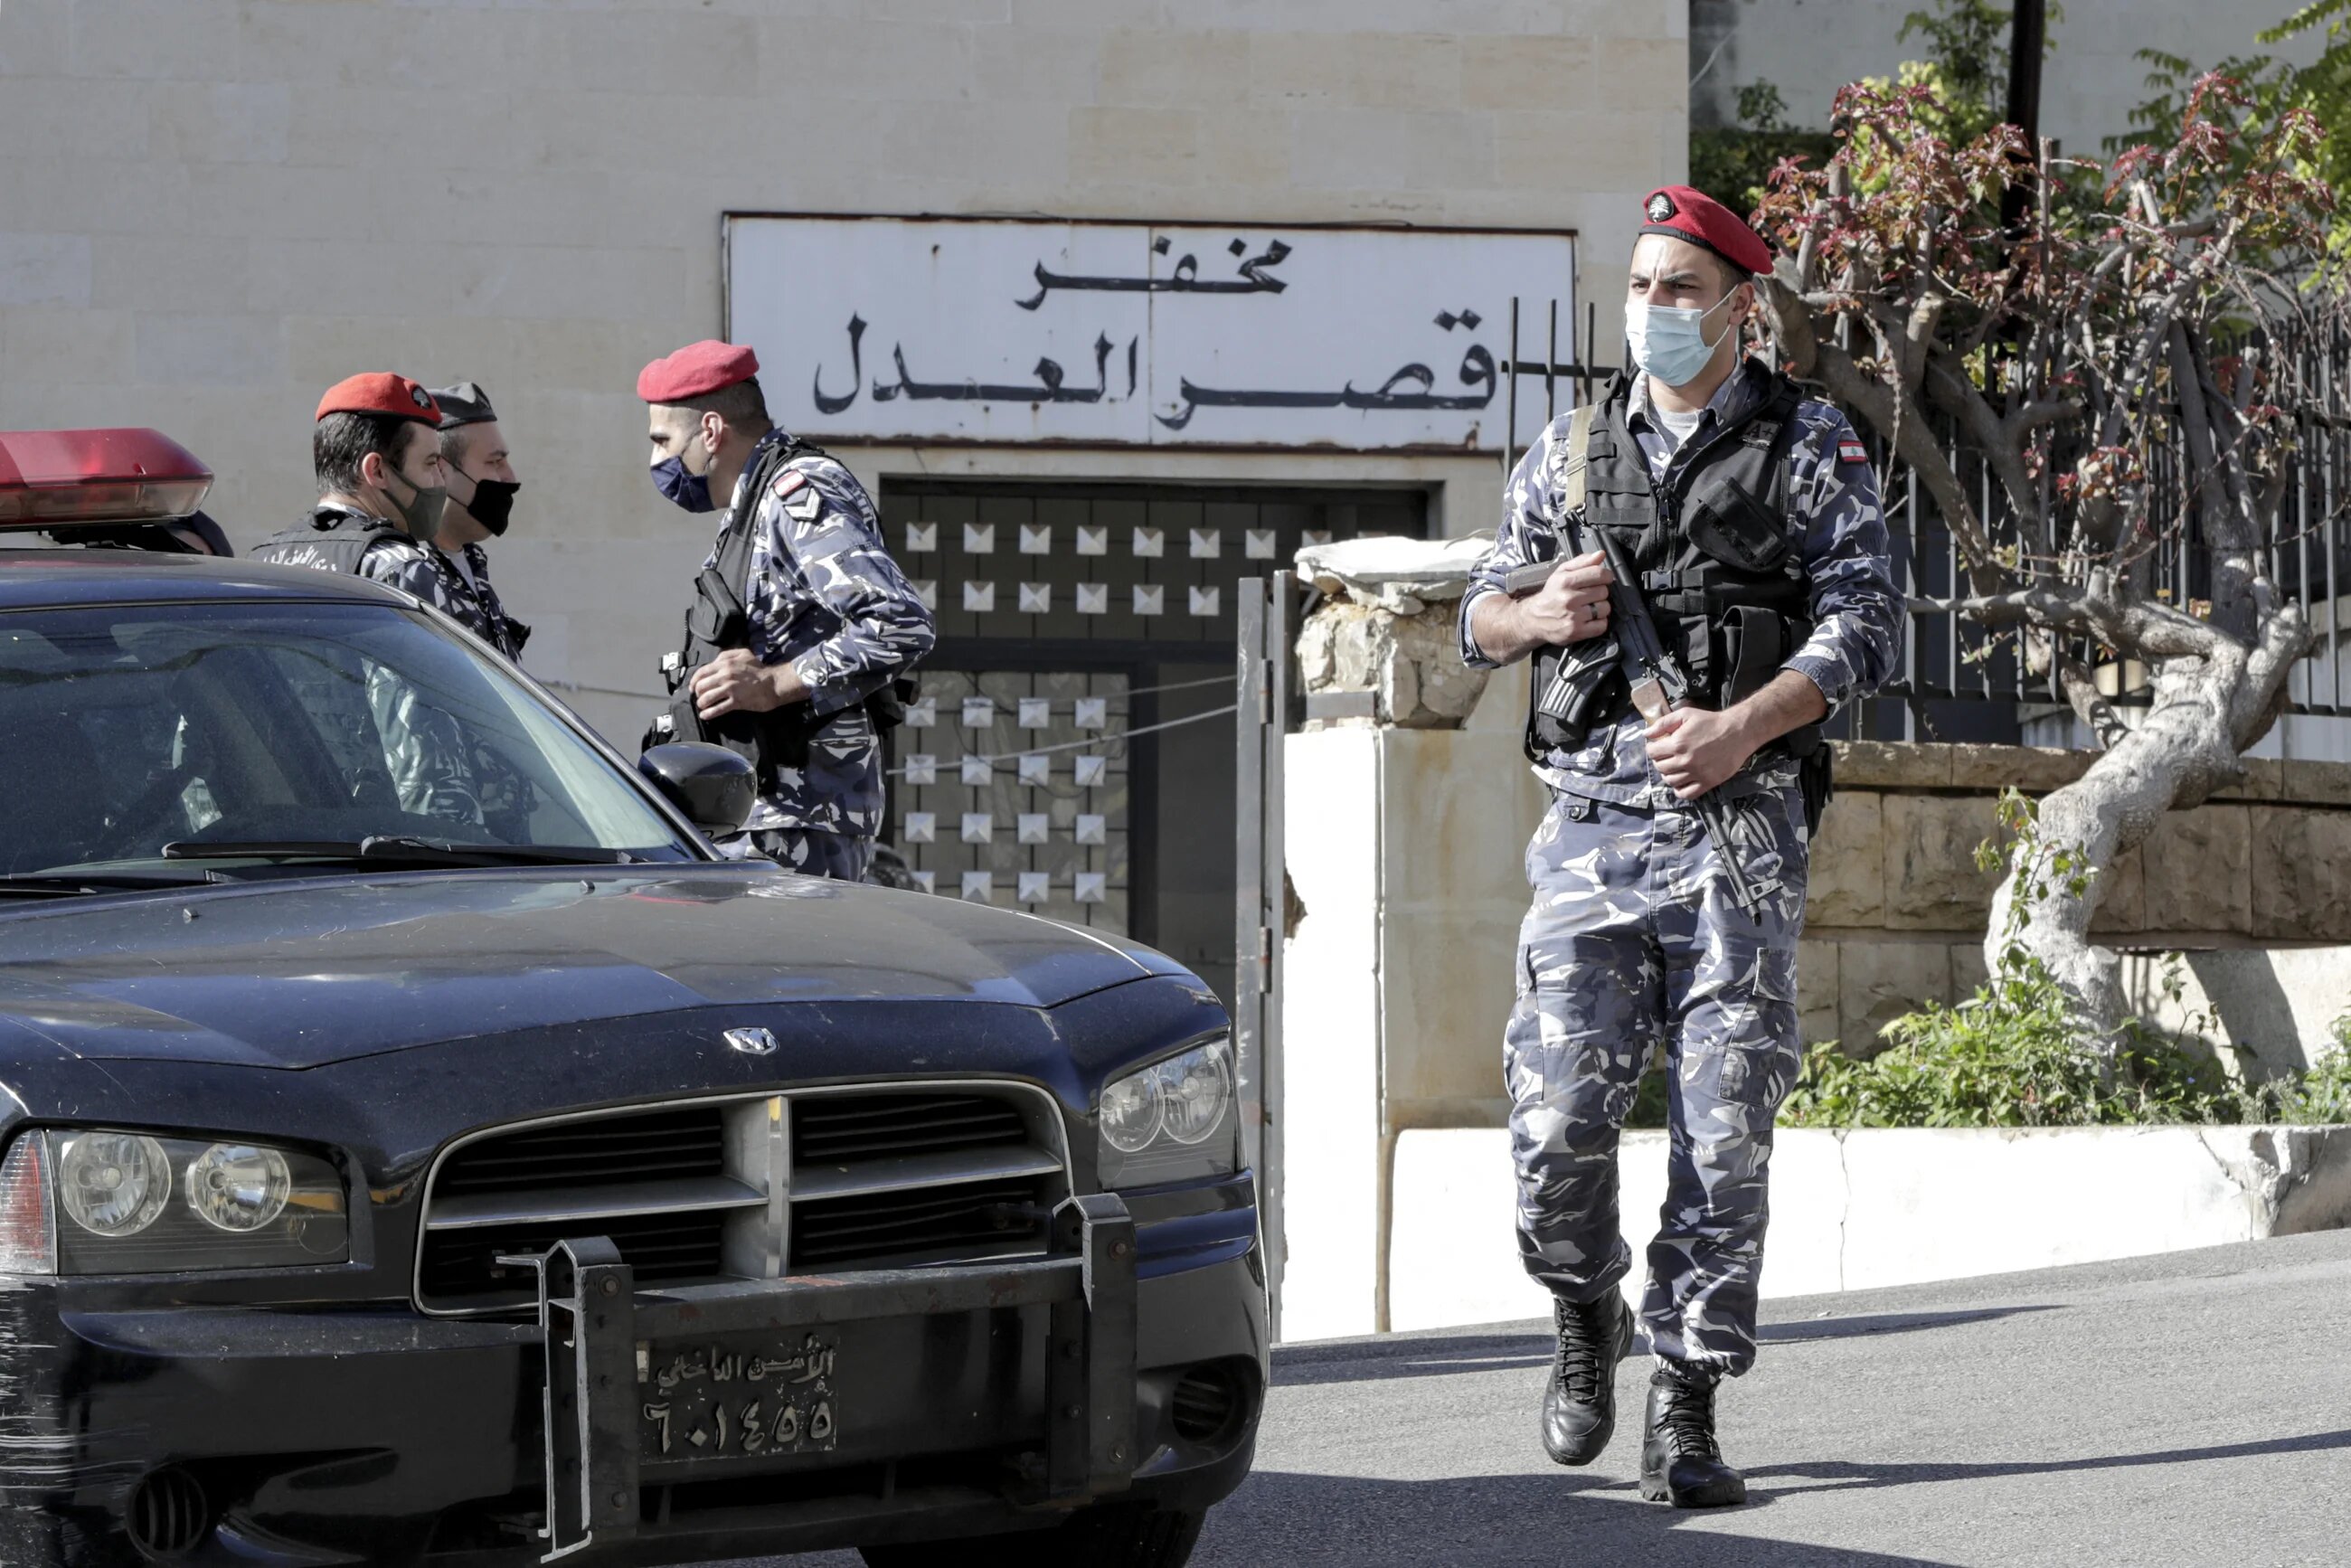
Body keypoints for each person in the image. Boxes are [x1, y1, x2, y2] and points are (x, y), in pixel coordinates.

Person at [1459, 186, 1902, 1508]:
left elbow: (1868, 622)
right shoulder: (1571, 449)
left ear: (1738, 307)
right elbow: (1478, 614)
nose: (1653, 307)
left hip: (1739, 830)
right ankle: (1582, 1308)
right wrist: (1536, 611)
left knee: (1724, 1129)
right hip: (1592, 824)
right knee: (1553, 1122)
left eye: (1679, 288)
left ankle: (1687, 1397)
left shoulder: (1810, 440)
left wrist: (1742, 728)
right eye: (1641, 285)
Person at [638, 340, 933, 881]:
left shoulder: (800, 492)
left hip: (798, 822)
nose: (657, 459)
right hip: (763, 820)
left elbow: (898, 624)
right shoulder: (755, 504)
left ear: (710, 431)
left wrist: (775, 683)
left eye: (663, 439)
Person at [252, 373, 482, 826]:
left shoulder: (260, 564)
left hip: (281, 840)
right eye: (431, 462)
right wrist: (452, 853)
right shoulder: (398, 567)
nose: (441, 479)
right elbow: (423, 742)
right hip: (382, 844)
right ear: (376, 471)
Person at [425, 382, 531, 662]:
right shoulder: (407, 572)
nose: (510, 477)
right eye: (494, 462)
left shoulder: (473, 562)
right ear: (441, 469)